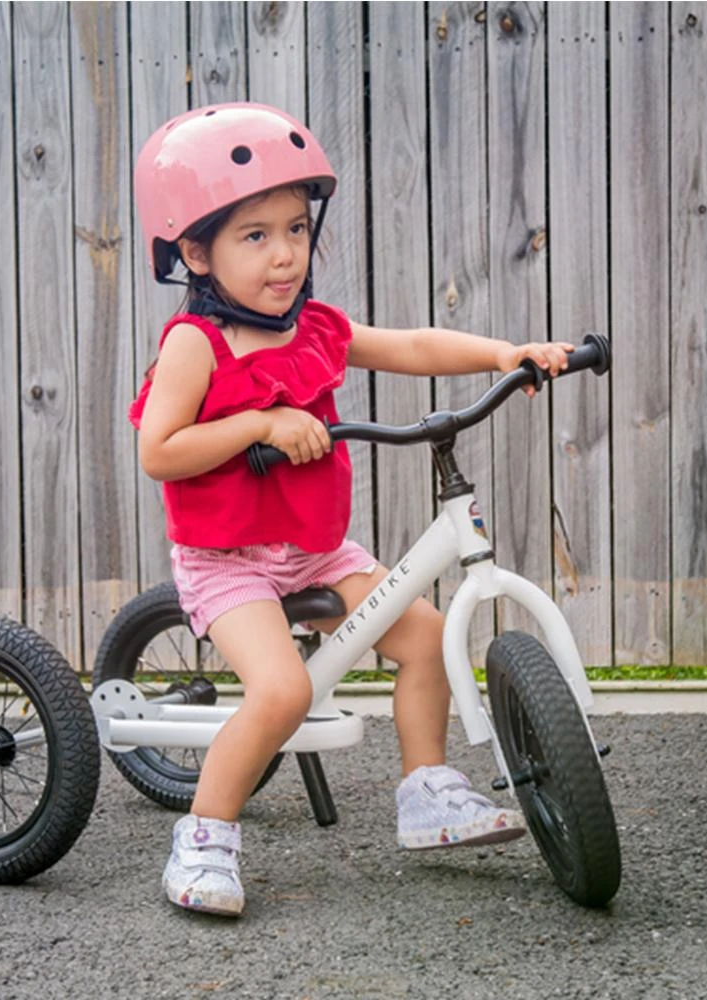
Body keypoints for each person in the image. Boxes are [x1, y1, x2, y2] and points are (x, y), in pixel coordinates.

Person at [131, 102, 573, 917]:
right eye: (254, 236)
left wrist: (505, 352)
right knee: (282, 693)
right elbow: (158, 450)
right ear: (194, 250)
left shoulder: (317, 326)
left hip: (314, 550)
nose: (285, 254)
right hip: (228, 560)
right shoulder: (197, 343)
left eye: (296, 229)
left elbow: (409, 345)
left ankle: (425, 792)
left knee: (429, 639)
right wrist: (259, 424)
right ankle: (204, 837)